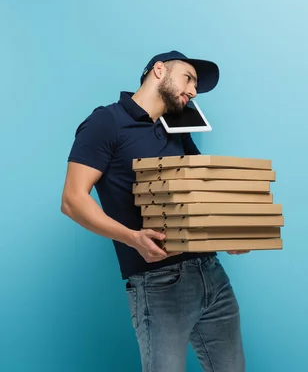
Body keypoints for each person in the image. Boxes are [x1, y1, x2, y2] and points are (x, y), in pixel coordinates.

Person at [61, 50, 246, 372]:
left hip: (211, 273)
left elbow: (199, 190)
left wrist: (228, 231)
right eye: (189, 78)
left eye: (196, 86)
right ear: (159, 70)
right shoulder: (107, 121)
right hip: (159, 281)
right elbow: (73, 199)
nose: (193, 91)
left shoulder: (178, 127)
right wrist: (132, 238)